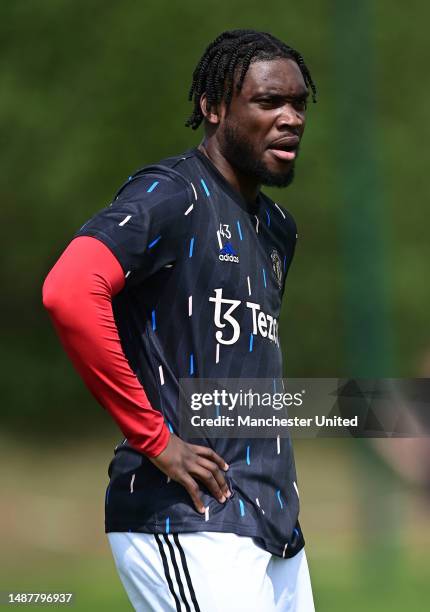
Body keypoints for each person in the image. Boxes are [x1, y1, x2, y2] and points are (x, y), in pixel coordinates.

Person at [42, 29, 317, 612]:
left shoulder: (277, 229)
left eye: (298, 103)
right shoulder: (172, 194)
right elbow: (70, 290)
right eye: (269, 102)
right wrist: (155, 438)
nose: (291, 118)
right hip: (188, 521)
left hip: (272, 529)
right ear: (212, 106)